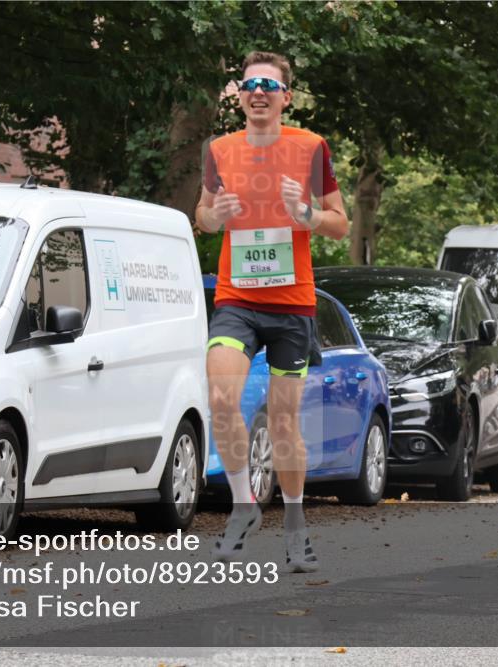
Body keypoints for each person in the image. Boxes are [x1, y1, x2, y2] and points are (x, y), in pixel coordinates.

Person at [195, 51, 349, 572]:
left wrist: (306, 214)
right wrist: (213, 215)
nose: (257, 92)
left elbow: (341, 223)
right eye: (249, 85)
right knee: (221, 398)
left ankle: (296, 524)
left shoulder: (310, 147)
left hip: (292, 305)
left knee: (283, 422)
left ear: (286, 97)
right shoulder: (219, 150)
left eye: (268, 85)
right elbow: (203, 214)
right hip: (237, 299)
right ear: (239, 95)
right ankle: (244, 505)